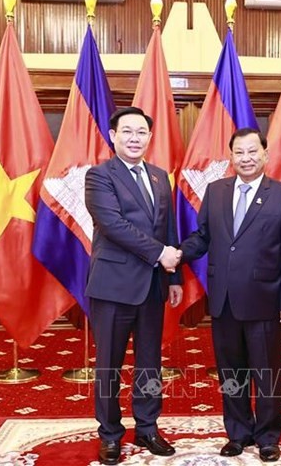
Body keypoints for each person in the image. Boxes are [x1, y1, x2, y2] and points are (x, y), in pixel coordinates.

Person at [180, 127, 281, 462]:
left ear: (265, 154)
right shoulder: (216, 191)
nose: (246, 159)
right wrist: (177, 253)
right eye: (239, 152)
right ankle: (238, 432)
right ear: (230, 156)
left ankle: (267, 436)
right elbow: (202, 236)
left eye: (252, 152)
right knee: (230, 373)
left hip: (265, 301)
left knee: (266, 373)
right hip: (223, 300)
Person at [85, 106, 183, 465]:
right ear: (113, 136)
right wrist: (161, 254)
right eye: (127, 131)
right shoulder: (99, 176)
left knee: (149, 363)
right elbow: (112, 225)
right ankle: (110, 434)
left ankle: (147, 428)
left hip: (154, 286)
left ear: (150, 137)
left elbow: (168, 229)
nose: (134, 138)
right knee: (109, 365)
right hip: (113, 286)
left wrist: (174, 275)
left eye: (141, 132)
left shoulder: (159, 177)